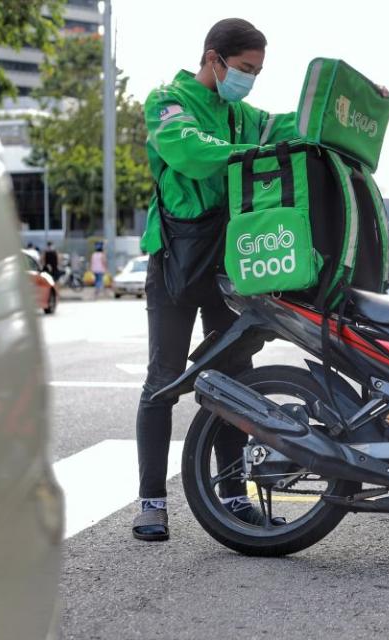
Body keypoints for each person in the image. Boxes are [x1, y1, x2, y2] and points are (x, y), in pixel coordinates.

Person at [132, 18, 290, 541]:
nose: (250, 80)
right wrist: (250, 156)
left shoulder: (243, 114)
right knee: (164, 379)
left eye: (257, 72)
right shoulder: (166, 101)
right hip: (174, 260)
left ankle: (233, 499)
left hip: (228, 262)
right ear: (213, 59)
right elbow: (192, 155)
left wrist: (347, 109)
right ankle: (152, 502)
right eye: (245, 69)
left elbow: (292, 126)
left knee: (234, 378)